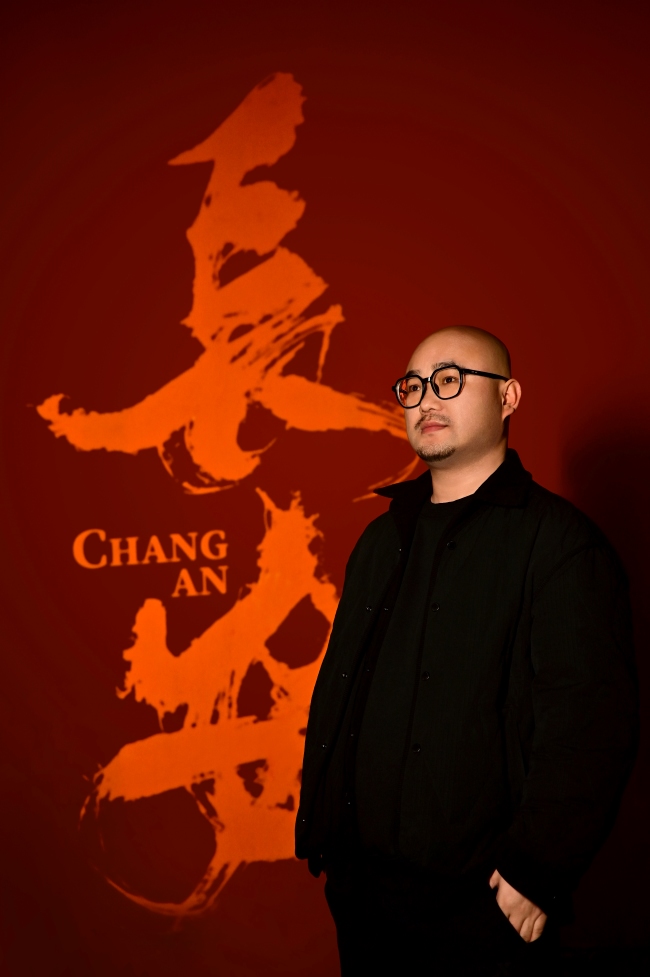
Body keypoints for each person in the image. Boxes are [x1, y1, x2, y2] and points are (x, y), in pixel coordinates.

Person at [295, 326, 638, 976]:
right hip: (364, 898)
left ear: (508, 397)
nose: (427, 398)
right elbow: (344, 696)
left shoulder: (561, 544)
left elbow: (592, 722)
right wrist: (328, 840)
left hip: (482, 909)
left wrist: (536, 871)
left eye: (450, 380)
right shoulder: (379, 541)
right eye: (414, 385)